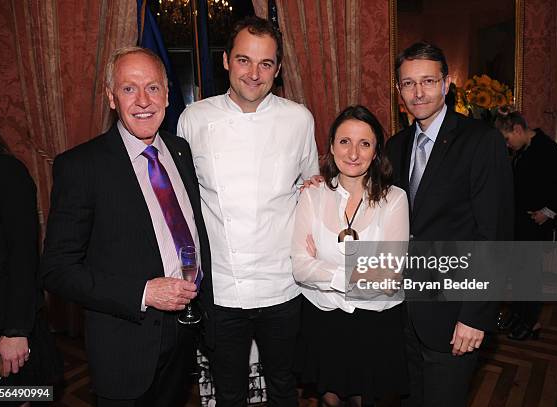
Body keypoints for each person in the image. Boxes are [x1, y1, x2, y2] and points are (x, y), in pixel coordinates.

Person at [41, 47, 210, 406]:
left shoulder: (180, 152)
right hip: (126, 347)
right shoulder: (81, 167)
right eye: (129, 89)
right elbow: (56, 271)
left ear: (167, 93)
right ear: (111, 97)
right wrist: (143, 293)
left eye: (152, 87)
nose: (143, 100)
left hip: (184, 333)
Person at [177, 16, 319, 407]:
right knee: (229, 393)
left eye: (266, 64)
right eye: (244, 60)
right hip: (222, 287)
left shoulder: (299, 119)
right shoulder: (194, 119)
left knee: (283, 388)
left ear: (278, 69)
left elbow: (311, 187)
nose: (254, 74)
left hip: (283, 284)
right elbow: (184, 201)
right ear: (226, 61)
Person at [385, 42, 514, 406]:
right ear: (399, 92)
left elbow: (496, 235)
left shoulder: (480, 140)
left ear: (446, 84)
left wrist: (476, 314)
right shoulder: (395, 146)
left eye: (428, 81)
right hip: (403, 314)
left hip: (454, 314)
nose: (418, 91)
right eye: (408, 83)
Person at [293, 105, 409, 406]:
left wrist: (325, 267)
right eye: (345, 141)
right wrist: (359, 271)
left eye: (365, 143)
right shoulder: (311, 195)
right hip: (324, 319)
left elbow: (389, 276)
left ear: (376, 151)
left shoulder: (395, 199)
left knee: (366, 401)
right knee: (329, 400)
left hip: (375, 323)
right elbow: (300, 269)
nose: (353, 153)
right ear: (331, 146)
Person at [0, 107, 62, 393]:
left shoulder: (4, 172)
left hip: (3, 333)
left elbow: (24, 258)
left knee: (12, 400)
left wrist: (15, 332)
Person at [494, 108, 557, 340]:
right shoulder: (523, 150)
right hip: (521, 224)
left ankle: (531, 323)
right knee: (520, 274)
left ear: (518, 129)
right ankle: (519, 316)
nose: (507, 145)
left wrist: (548, 212)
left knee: (530, 276)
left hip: (534, 225)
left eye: (507, 139)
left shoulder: (545, 148)